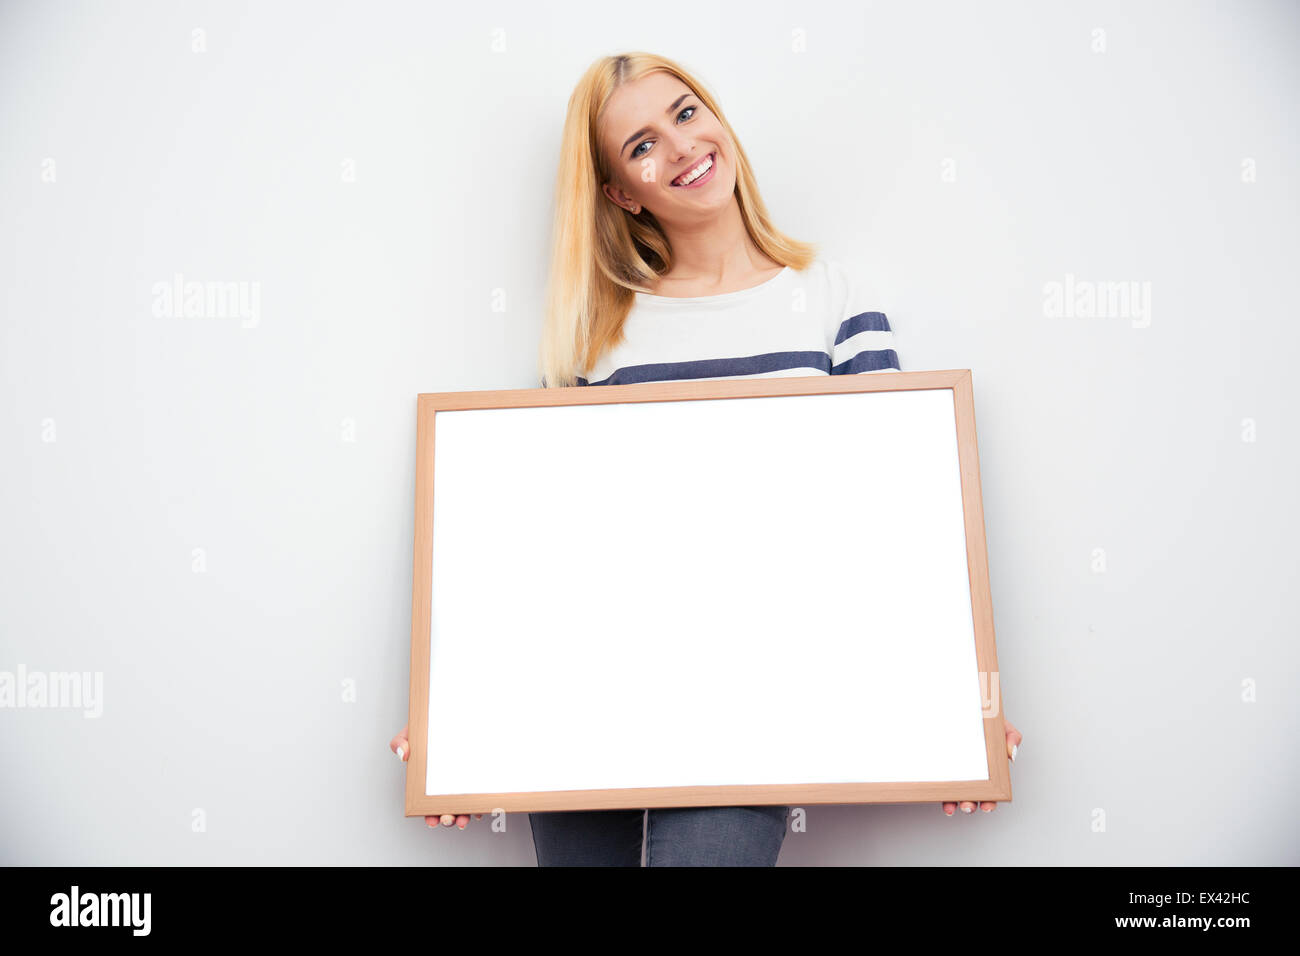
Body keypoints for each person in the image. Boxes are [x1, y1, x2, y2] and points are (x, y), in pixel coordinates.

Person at [391, 51, 1023, 865]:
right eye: (642, 144)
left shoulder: (831, 300)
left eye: (686, 113)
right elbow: (547, 553)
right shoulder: (599, 340)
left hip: (758, 705)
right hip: (591, 707)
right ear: (622, 191)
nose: (682, 146)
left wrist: (961, 707)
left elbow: (900, 518)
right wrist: (459, 715)